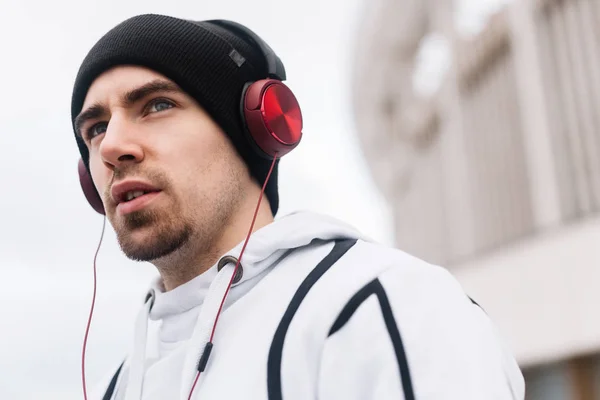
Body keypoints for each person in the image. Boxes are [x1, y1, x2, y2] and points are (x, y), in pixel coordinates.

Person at [70, 13, 525, 400]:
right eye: (95, 128)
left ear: (259, 129)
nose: (112, 146)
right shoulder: (125, 383)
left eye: (157, 105)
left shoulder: (384, 305)